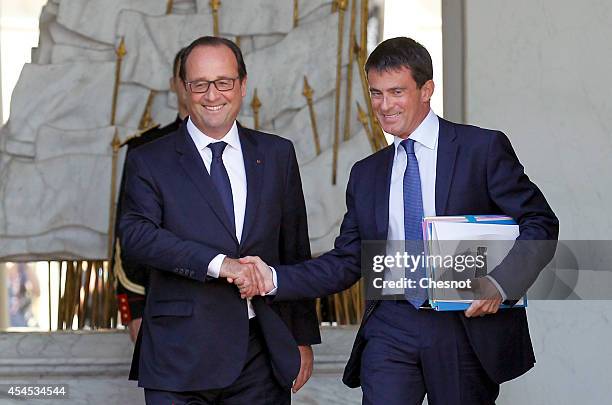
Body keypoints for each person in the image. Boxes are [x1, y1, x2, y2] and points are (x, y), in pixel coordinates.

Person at [239, 37, 559, 404]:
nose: (385, 105)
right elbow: (347, 260)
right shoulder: (366, 174)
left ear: (427, 90)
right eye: (376, 93)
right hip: (391, 322)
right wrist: (274, 278)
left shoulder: (481, 150)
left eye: (396, 92)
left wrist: (500, 284)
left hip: (462, 324)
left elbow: (540, 223)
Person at [119, 36, 320, 404]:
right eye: (200, 84)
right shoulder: (149, 159)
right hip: (178, 356)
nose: (212, 95)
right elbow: (137, 236)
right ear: (184, 88)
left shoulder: (277, 154)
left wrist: (301, 338)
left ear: (243, 85)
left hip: (260, 353)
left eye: (223, 82)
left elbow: (293, 249)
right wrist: (220, 265)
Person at [115, 47, 190, 342]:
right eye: (188, 78)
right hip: (163, 304)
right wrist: (133, 309)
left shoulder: (249, 149)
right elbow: (128, 235)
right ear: (174, 84)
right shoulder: (145, 149)